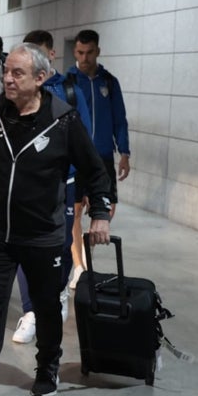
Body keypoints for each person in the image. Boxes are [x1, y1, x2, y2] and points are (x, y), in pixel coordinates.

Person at [0, 43, 112, 396]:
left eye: (17, 73)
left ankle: (47, 368)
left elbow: (94, 169)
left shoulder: (63, 119)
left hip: (43, 235)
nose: (7, 79)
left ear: (41, 78)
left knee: (45, 306)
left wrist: (100, 213)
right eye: (7, 71)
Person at [8, 30, 92, 345]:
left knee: (61, 244)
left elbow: (86, 143)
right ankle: (30, 310)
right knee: (22, 245)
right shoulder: (16, 92)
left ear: (51, 56)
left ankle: (57, 295)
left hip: (65, 181)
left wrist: (88, 183)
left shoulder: (70, 91)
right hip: (26, 184)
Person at [66, 28, 130, 287]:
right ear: (75, 52)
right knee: (75, 210)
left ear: (98, 51)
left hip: (102, 155)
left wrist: (124, 152)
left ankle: (85, 252)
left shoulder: (109, 82)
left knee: (106, 209)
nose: (84, 57)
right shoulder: (68, 81)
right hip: (75, 155)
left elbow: (120, 119)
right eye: (80, 52)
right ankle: (79, 266)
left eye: (89, 52)